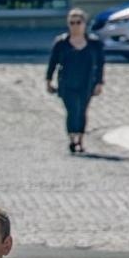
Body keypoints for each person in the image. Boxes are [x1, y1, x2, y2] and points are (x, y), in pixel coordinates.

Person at [46, 8, 105, 154]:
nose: (75, 26)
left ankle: (80, 139)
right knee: (72, 110)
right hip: (67, 82)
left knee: (82, 110)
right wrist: (48, 80)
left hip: (86, 82)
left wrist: (99, 82)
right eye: (72, 23)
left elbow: (100, 64)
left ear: (84, 24)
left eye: (78, 22)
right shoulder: (61, 43)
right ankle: (72, 139)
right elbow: (52, 62)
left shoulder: (94, 43)